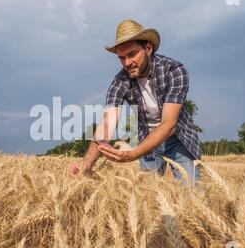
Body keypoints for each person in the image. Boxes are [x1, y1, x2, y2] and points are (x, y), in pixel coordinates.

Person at [69, 19, 202, 187]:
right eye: (121, 58)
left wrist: (134, 153)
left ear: (148, 48)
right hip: (147, 140)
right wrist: (86, 164)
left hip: (178, 140)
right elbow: (107, 124)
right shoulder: (120, 81)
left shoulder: (174, 71)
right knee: (148, 197)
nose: (126, 63)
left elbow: (169, 124)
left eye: (132, 54)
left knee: (191, 193)